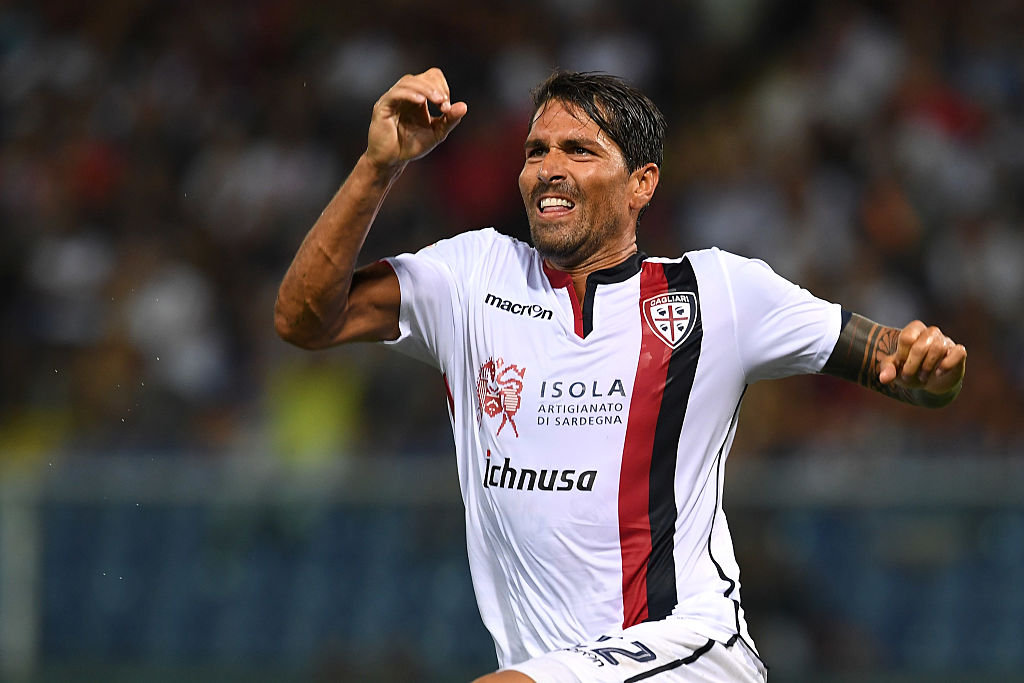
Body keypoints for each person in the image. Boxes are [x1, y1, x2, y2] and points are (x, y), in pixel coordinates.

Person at [274, 67, 967, 683]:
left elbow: (898, 366)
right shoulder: (471, 278)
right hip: (556, 666)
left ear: (642, 183)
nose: (549, 168)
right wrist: (377, 166)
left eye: (579, 150)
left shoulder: (718, 293)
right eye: (536, 150)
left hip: (686, 653)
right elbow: (303, 320)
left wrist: (930, 366)